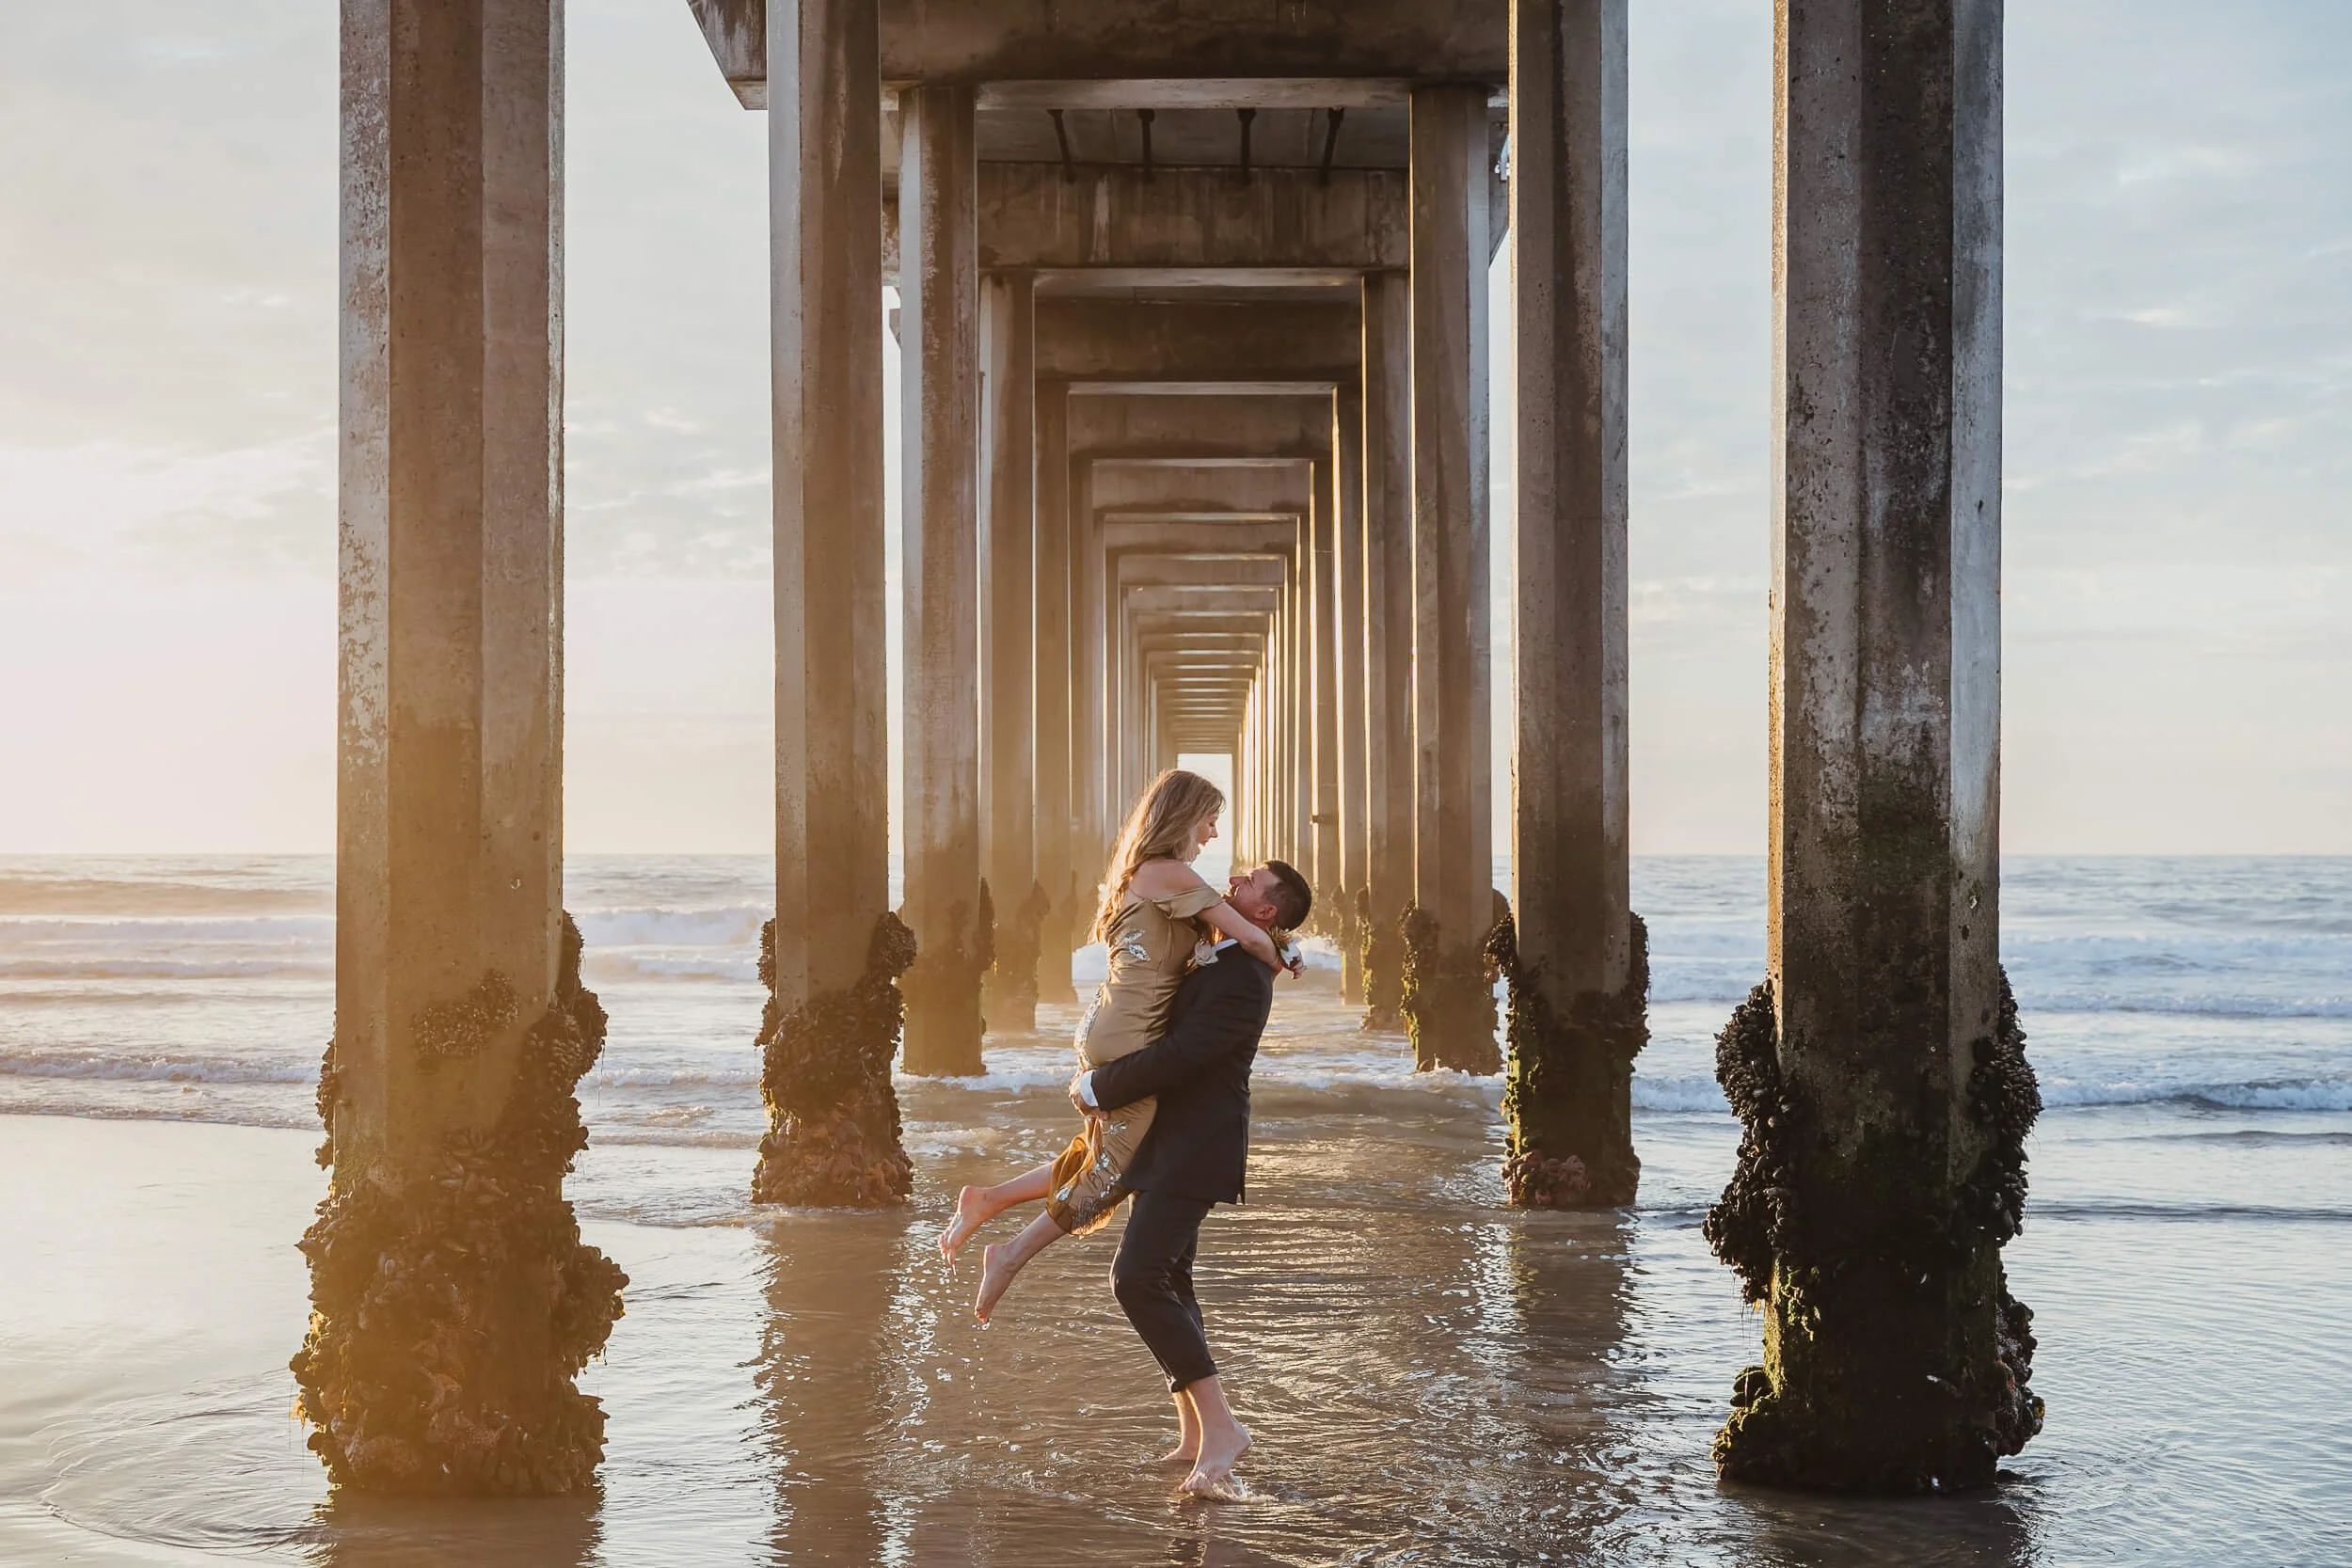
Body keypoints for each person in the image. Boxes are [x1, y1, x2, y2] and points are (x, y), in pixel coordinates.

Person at [937, 769, 1297, 1320]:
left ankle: (990, 1200)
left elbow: (1222, 938)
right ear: (1184, 816)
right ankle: (1009, 1255)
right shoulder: (1171, 873)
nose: (1214, 834)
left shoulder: (1152, 873)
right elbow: (1247, 935)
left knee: (1109, 1150)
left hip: (1113, 1023)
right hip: (1127, 1031)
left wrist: (1273, 943)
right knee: (1119, 1168)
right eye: (1209, 820)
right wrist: (1282, 957)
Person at [1076, 856, 1312, 1497]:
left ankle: (1223, 1428)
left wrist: (1103, 1083)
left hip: (1196, 1144)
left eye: (1249, 883)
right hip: (1173, 1139)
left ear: (1267, 909)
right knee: (1171, 1276)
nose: (1233, 881)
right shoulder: (1230, 951)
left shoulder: (1242, 974)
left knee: (1136, 1276)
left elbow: (1185, 1055)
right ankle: (1193, 1436)